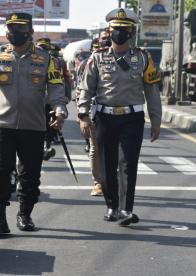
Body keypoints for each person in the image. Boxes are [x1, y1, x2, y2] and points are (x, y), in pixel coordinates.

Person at [0, 13, 68, 233]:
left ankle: (25, 215)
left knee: (30, 174)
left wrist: (60, 111)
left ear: (30, 31)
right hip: (2, 124)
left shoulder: (47, 59)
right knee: (0, 170)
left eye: (20, 28)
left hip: (33, 125)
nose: (14, 32)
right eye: (11, 28)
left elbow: (55, 88)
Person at [78, 8, 162, 226]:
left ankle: (126, 209)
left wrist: (156, 120)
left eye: (124, 29)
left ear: (132, 32)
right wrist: (83, 115)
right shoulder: (96, 58)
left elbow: (152, 91)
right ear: (109, 30)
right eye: (116, 29)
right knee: (107, 166)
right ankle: (112, 206)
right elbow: (86, 89)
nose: (120, 33)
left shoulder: (143, 58)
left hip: (132, 119)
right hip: (105, 119)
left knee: (128, 164)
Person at [75, 36, 104, 197]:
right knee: (95, 147)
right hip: (93, 112)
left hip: (115, 112)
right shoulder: (86, 64)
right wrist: (82, 114)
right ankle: (98, 182)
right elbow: (80, 91)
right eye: (98, 46)